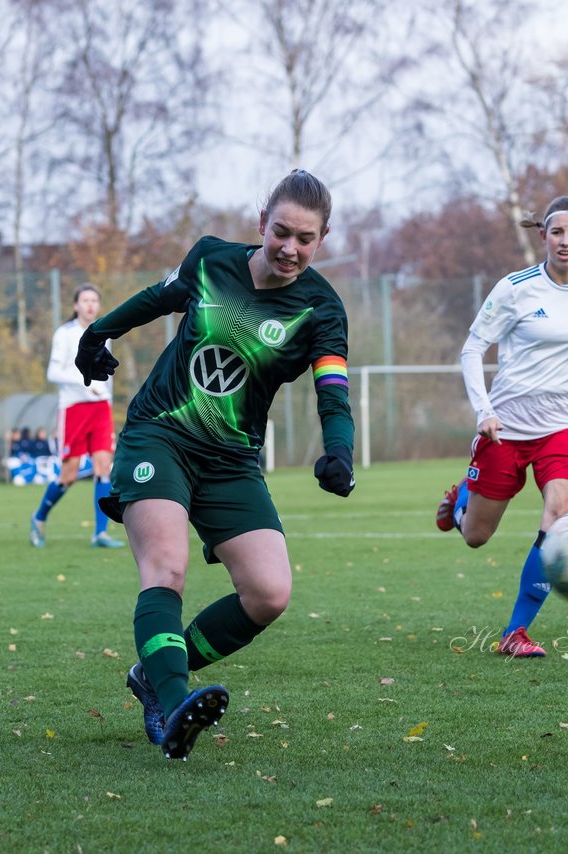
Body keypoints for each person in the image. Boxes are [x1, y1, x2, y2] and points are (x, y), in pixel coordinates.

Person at [75, 169, 355, 760]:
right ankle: (173, 702)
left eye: (305, 239)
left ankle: (155, 670)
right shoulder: (210, 260)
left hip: (231, 459)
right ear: (262, 225)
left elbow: (332, 389)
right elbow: (159, 298)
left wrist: (340, 451)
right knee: (167, 568)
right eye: (281, 232)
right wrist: (99, 333)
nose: (290, 248)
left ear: (322, 239)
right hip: (160, 436)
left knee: (269, 592)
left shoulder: (321, 309)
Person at [435, 194, 568, 658]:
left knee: (556, 521)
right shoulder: (515, 288)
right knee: (476, 536)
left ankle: (515, 632)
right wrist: (484, 411)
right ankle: (459, 504)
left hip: (564, 428)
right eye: (557, 232)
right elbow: (472, 350)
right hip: (506, 428)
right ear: (543, 236)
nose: (565, 241)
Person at [29, 284, 126, 549]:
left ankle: (100, 533)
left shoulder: (104, 331)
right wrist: (85, 382)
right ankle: (38, 518)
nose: (90, 305)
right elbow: (53, 373)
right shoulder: (64, 333)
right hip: (74, 408)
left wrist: (105, 395)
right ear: (76, 305)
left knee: (104, 467)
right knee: (69, 474)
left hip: (100, 409)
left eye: (94, 300)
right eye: (85, 300)